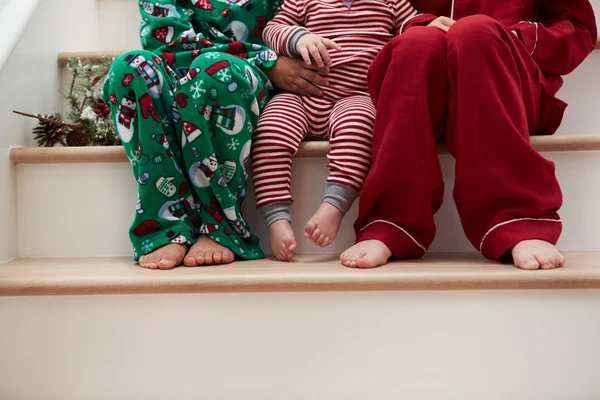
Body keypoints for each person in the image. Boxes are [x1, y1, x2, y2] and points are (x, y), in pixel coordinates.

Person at [340, 0, 597, 270]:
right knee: (416, 42)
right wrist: (419, 23)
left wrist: (518, 37)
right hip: (425, 77)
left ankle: (516, 221)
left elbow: (578, 29)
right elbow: (378, 11)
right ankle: (391, 223)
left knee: (476, 32)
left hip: (509, 80)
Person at [103, 0, 330, 269]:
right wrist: (269, 61)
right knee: (129, 68)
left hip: (241, 85)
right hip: (191, 75)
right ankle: (168, 223)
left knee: (215, 70)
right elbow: (166, 45)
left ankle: (222, 224)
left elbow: (301, 23)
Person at [251, 0, 417, 261]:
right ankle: (276, 218)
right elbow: (272, 30)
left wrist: (429, 25)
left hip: (356, 96)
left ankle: (333, 206)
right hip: (301, 95)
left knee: (359, 127)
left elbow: (412, 28)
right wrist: (298, 38)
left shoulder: (392, 3)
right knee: (271, 130)